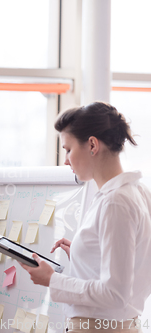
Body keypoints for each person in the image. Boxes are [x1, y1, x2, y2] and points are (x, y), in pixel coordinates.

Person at [20, 102, 151, 333]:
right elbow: (133, 265)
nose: (66, 160)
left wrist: (53, 280)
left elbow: (115, 294)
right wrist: (84, 255)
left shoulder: (115, 201)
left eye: (68, 149)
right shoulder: (139, 192)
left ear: (92, 145)